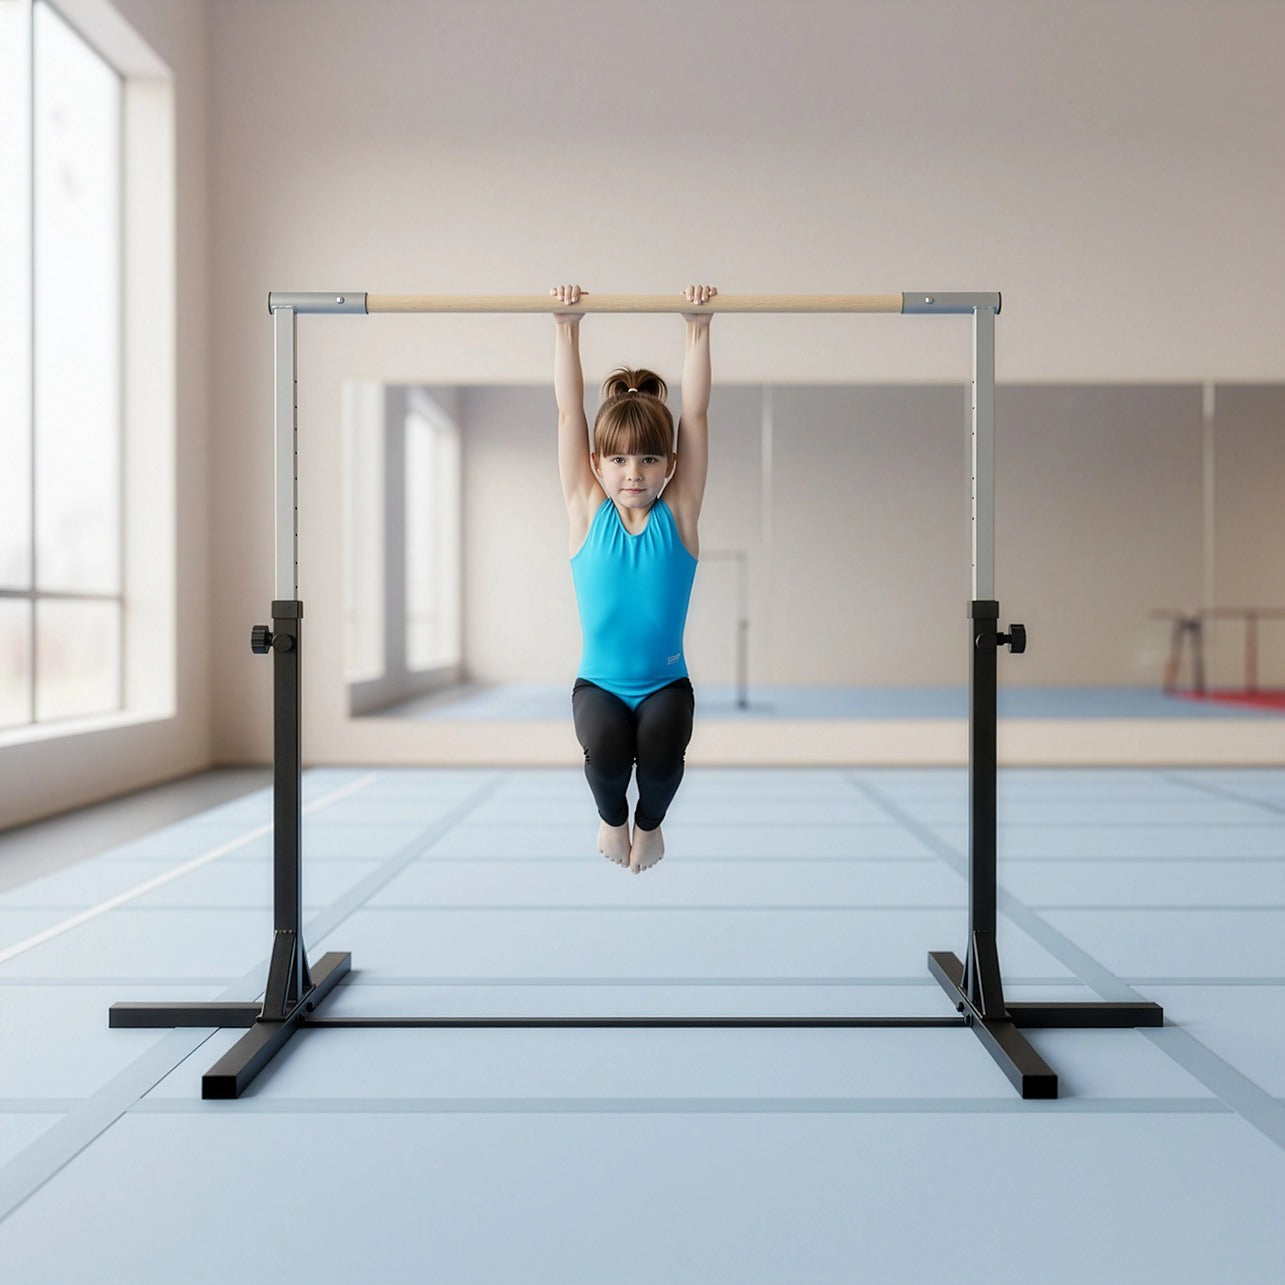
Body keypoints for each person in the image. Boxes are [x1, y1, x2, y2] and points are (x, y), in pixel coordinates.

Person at [551, 282, 716, 873]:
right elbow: (569, 412)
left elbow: (694, 414)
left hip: (666, 684)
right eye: (618, 460)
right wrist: (566, 327)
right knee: (607, 755)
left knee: (663, 756)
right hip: (599, 684)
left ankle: (650, 823)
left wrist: (698, 328)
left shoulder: (680, 513)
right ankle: (612, 817)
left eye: (649, 458)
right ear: (596, 464)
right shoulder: (585, 511)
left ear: (670, 464)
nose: (634, 473)